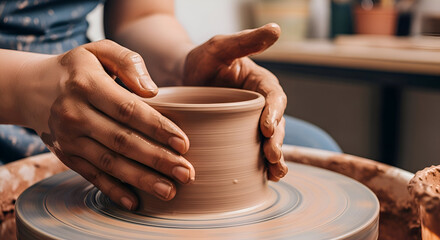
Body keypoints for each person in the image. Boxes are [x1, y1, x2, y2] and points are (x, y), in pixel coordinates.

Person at [0, 0, 340, 211]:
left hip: (85, 83)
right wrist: (26, 90)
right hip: (16, 89)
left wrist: (183, 66)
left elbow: (142, 15)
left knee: (315, 149)